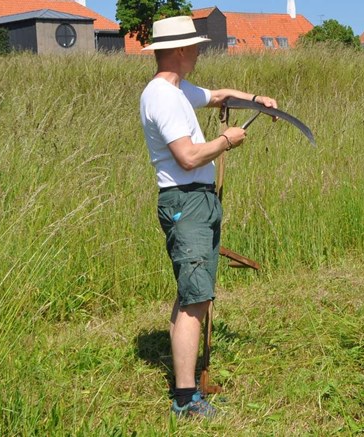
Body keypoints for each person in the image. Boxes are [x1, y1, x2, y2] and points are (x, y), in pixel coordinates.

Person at [139, 15, 278, 419]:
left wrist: (255, 100)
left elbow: (218, 96)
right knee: (194, 300)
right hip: (186, 202)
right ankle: (185, 399)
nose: (199, 52)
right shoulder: (162, 96)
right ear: (181, 50)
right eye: (195, 46)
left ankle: (187, 389)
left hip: (197, 201)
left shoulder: (178, 90)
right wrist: (226, 141)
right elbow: (186, 157)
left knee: (192, 293)